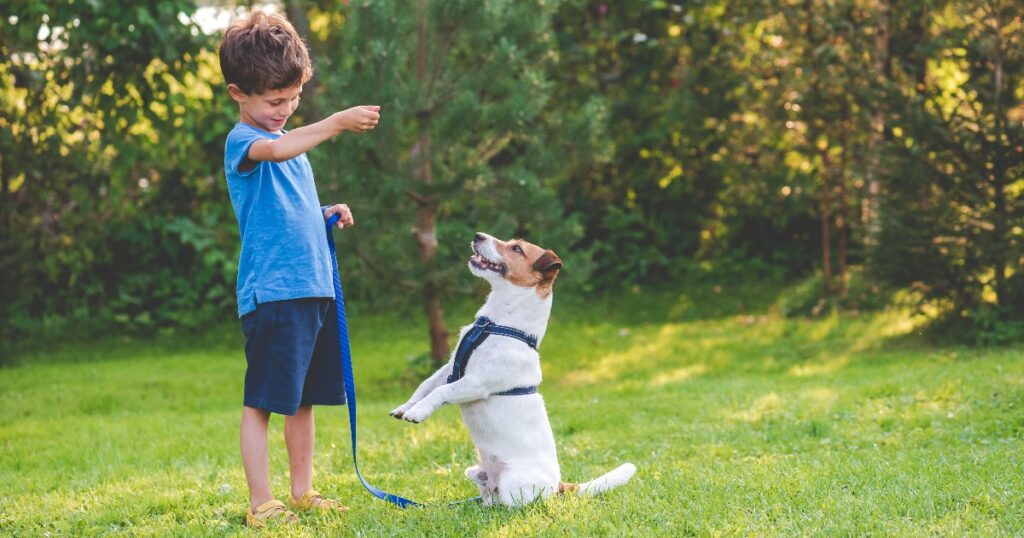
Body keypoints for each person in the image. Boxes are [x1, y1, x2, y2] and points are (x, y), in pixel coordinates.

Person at [218, 10, 381, 528]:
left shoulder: (293, 149)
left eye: (293, 99)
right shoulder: (244, 142)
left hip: (312, 288)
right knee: (263, 402)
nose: (285, 110)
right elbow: (275, 148)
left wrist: (323, 214)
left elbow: (285, 208)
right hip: (275, 293)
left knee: (304, 401)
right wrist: (333, 122)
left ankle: (302, 490)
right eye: (274, 101)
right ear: (237, 93)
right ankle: (261, 501)